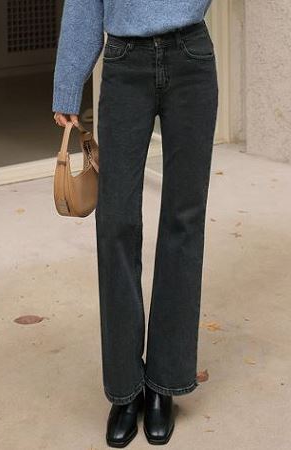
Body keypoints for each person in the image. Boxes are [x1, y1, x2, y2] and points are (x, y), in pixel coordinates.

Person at [52, 0, 218, 447]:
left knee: (184, 220)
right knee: (116, 224)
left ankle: (166, 383)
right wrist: (69, 82)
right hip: (125, 63)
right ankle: (125, 389)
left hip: (192, 57)